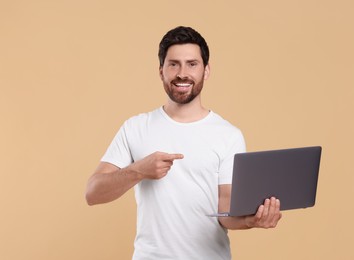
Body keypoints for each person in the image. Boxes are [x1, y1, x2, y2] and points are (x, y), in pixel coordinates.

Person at [85, 26, 282, 260]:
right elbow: (92, 193)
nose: (182, 73)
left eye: (192, 64)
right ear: (161, 71)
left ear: (206, 71)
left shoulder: (229, 135)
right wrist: (139, 170)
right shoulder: (135, 127)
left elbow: (224, 209)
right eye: (173, 64)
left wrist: (251, 220)